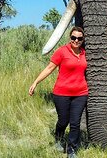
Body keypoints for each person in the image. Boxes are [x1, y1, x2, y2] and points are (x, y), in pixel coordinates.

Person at [28, 27, 88, 158]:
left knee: (75, 122)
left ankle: (72, 150)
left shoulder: (84, 53)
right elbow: (49, 68)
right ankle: (59, 137)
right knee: (63, 120)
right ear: (69, 38)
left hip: (81, 93)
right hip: (62, 93)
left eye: (79, 38)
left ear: (83, 40)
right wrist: (35, 82)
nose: (76, 40)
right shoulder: (62, 51)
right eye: (73, 38)